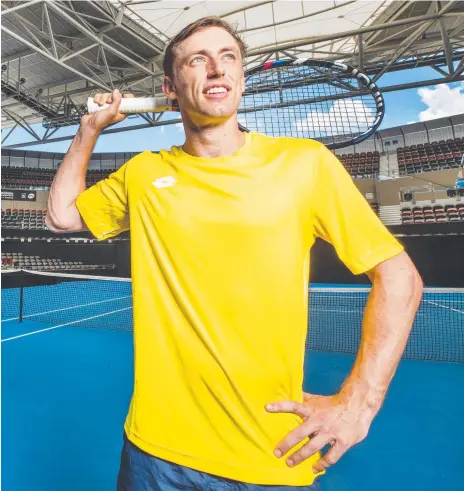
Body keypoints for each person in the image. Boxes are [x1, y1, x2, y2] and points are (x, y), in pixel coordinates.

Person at [46, 16, 423, 491]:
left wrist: (359, 403)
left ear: (241, 79)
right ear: (171, 86)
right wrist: (89, 131)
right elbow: (61, 216)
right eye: (197, 60)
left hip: (268, 461)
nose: (216, 69)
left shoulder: (305, 165)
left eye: (228, 58)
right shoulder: (143, 174)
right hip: (152, 453)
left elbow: (400, 276)